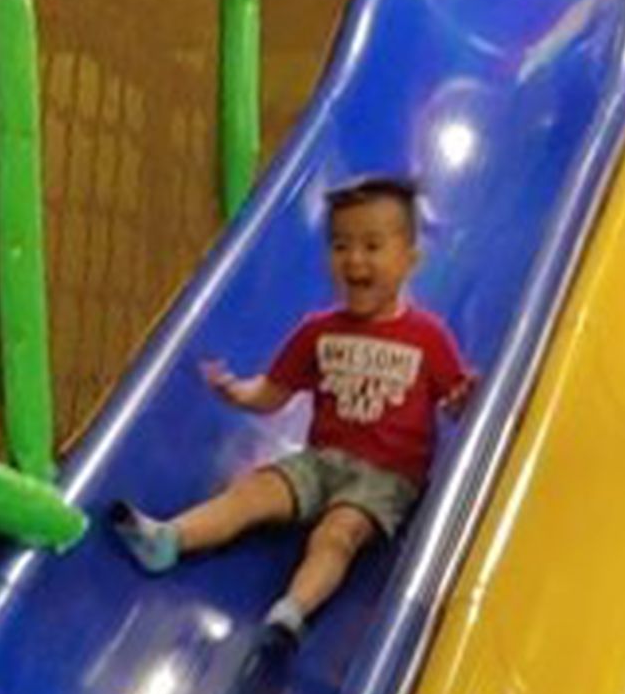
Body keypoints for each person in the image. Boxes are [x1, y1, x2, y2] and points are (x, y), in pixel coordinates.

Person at [109, 176, 476, 644]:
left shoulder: (428, 336)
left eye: (372, 245)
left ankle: (292, 610)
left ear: (409, 260)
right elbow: (274, 391)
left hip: (388, 476)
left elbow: (455, 404)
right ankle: (168, 540)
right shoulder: (318, 330)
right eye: (341, 245)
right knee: (250, 493)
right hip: (320, 461)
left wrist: (466, 401)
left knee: (336, 535)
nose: (355, 259)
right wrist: (237, 392)